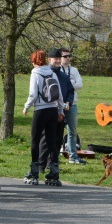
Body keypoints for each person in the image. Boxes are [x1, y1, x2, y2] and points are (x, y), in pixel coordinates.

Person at [23, 50, 64, 186]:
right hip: (53, 110)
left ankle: (34, 172)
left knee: (35, 140)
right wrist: (60, 109)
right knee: (51, 141)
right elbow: (59, 93)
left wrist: (26, 107)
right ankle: (54, 172)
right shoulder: (52, 72)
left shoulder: (35, 73)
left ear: (34, 61)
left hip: (40, 110)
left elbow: (33, 94)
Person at [40, 48, 74, 173]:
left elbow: (70, 91)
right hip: (48, 110)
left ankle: (53, 164)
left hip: (61, 111)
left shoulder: (64, 76)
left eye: (60, 58)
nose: (58, 61)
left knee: (58, 139)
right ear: (49, 60)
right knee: (45, 139)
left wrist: (68, 102)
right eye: (56, 59)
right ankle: (40, 165)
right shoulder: (45, 73)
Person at [59, 47, 85, 164]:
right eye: (65, 56)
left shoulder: (74, 70)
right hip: (58, 105)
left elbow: (80, 85)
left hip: (72, 104)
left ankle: (73, 156)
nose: (68, 58)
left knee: (72, 131)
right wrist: (71, 84)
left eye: (69, 56)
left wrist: (68, 85)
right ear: (60, 57)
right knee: (56, 131)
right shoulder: (57, 70)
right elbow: (58, 86)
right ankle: (55, 155)